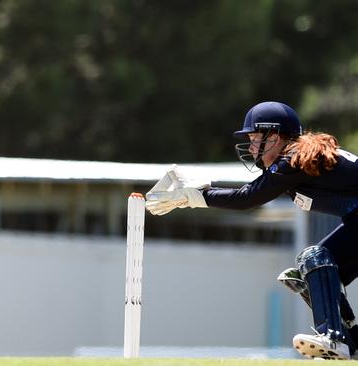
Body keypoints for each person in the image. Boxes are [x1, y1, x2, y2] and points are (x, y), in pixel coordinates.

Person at [145, 101, 358, 360]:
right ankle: (349, 338)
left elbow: (246, 198)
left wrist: (196, 197)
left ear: (276, 136)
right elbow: (250, 193)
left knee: (315, 260)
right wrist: (200, 194)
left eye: (257, 138)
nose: (253, 147)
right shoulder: (295, 161)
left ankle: (336, 338)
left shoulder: (292, 160)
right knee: (311, 268)